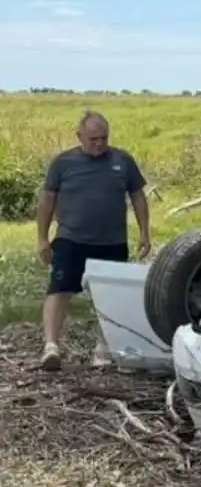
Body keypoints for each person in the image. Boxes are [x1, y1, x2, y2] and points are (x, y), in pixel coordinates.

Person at [35, 111, 151, 371]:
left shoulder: (123, 161)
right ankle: (51, 346)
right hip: (70, 238)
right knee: (59, 288)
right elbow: (46, 201)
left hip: (112, 241)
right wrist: (42, 237)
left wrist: (144, 232)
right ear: (80, 137)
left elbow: (138, 197)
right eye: (93, 138)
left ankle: (102, 348)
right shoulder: (63, 163)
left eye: (103, 138)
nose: (99, 143)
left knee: (110, 295)